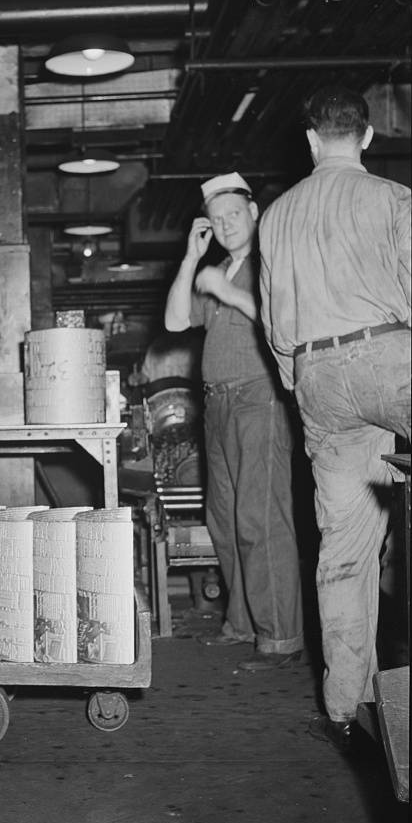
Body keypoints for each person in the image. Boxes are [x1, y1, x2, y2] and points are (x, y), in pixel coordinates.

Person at [259, 85, 411, 752]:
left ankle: (347, 709)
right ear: (368, 138)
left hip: (318, 375)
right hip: (393, 356)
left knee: (344, 550)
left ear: (313, 141)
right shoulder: (390, 198)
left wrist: (303, 387)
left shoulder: (276, 216)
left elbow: (273, 322)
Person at [164, 172, 304, 670]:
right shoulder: (218, 267)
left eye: (233, 215)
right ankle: (242, 622)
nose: (225, 225)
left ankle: (280, 635)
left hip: (259, 397)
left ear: (255, 213)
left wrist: (225, 289)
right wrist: (190, 259)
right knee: (223, 521)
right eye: (216, 219)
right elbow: (176, 321)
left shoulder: (272, 261)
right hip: (217, 404)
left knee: (260, 519)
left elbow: (281, 322)